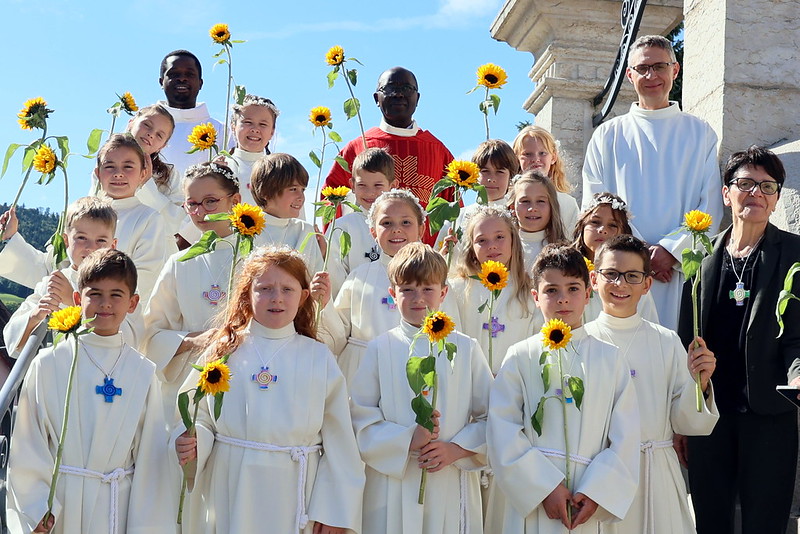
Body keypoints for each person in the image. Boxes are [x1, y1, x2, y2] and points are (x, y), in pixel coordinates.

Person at [173, 246, 364, 534]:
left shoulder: (318, 357)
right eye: (265, 288)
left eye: (287, 289)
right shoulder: (225, 350)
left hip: (297, 490)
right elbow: (197, 414)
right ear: (247, 294)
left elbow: (340, 443)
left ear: (303, 297)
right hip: (233, 483)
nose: (277, 297)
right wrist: (193, 438)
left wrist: (335, 511)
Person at [676, 146, 800, 534]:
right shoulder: (700, 257)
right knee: (710, 520)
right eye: (745, 184)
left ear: (777, 199)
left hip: (770, 414)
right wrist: (682, 417)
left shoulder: (795, 253)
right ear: (726, 193)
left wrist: (798, 375)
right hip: (711, 414)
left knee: (766, 522)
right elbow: (685, 339)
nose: (756, 194)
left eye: (767, 186)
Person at [7, 249, 173, 534]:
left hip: (117, 507)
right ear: (76, 298)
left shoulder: (143, 372)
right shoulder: (49, 364)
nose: (105, 304)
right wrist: (36, 509)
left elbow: (151, 458)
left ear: (133, 303)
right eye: (94, 294)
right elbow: (28, 442)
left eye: (116, 295)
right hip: (59, 506)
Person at [487, 244, 639, 533]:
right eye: (551, 290)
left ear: (588, 293)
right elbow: (502, 429)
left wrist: (596, 491)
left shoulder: (610, 358)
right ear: (536, 297)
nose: (563, 299)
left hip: (587, 495)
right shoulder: (520, 356)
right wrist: (544, 487)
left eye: (572, 288)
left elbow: (625, 435)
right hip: (535, 498)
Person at [582, 34, 724, 330]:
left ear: (675, 70)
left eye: (659, 66)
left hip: (679, 273)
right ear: (630, 75)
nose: (651, 76)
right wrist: (637, 254)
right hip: (622, 273)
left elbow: (710, 204)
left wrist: (671, 250)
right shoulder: (607, 136)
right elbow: (594, 209)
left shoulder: (700, 134)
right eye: (642, 68)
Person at [350, 242, 492, 534]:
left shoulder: (465, 348)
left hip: (450, 476)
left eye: (427, 289)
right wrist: (406, 440)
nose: (418, 298)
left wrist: (456, 449)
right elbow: (360, 418)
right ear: (392, 294)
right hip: (394, 480)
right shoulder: (379, 349)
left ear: (443, 292)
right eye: (407, 290)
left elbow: (492, 416)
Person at [584, 235, 718, 534]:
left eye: (632, 276)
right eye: (611, 274)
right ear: (594, 279)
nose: (621, 284)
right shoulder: (580, 341)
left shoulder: (665, 340)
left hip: (655, 470)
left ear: (647, 285)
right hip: (600, 475)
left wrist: (701, 384)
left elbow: (686, 421)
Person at [0, 134, 169, 302]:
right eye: (110, 166)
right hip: (64, 316)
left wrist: (77, 300)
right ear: (98, 173)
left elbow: (144, 282)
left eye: (128, 167)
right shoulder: (81, 212)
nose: (118, 174)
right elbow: (52, 269)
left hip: (114, 321)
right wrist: (10, 238)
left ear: (143, 174)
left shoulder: (150, 219)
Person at [322, 189, 459, 386]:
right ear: (373, 232)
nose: (396, 229)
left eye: (406, 222)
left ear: (421, 229)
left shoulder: (436, 279)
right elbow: (336, 338)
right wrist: (324, 304)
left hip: (417, 371)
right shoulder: (358, 277)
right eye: (386, 223)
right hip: (362, 374)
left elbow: (451, 334)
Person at [143, 162, 242, 419]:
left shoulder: (258, 258)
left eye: (210, 201)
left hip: (247, 378)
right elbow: (151, 334)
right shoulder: (179, 263)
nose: (201, 212)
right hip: (191, 381)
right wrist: (191, 340)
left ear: (235, 201)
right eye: (192, 204)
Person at [323, 66, 455, 245]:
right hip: (367, 255)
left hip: (424, 261)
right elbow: (331, 201)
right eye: (390, 88)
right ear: (377, 98)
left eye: (406, 89)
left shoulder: (438, 151)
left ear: (417, 98)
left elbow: (454, 210)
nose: (399, 94)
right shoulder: (358, 147)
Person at [4, 197, 143, 357]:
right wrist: (35, 316)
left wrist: (72, 302)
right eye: (81, 238)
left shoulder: (123, 285)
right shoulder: (53, 282)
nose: (91, 247)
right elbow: (13, 341)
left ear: (113, 245)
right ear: (66, 241)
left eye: (101, 240)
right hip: (57, 370)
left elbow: (132, 337)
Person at [450, 205, 541, 375]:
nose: (491, 246)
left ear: (513, 240)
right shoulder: (457, 289)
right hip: (469, 384)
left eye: (499, 237)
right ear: (471, 247)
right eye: (482, 240)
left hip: (514, 385)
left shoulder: (529, 291)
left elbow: (536, 345)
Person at [573, 193, 658, 323]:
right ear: (582, 226)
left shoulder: (634, 282)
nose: (602, 230)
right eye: (595, 222)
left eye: (612, 225)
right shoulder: (568, 272)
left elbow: (649, 325)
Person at [325, 147, 395, 296]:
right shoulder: (341, 227)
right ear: (352, 185)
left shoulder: (403, 225)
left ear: (393, 186)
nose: (370, 193)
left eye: (378, 186)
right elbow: (335, 276)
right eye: (362, 185)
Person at [435, 139, 520, 256]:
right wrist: (445, 253)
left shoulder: (518, 217)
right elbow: (436, 265)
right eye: (485, 171)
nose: (492, 178)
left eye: (500, 172)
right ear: (475, 175)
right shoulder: (457, 218)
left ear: (510, 175)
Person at [250, 153, 323, 273]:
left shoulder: (305, 230)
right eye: (293, 189)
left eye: (303, 190)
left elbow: (314, 275)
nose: (301, 197)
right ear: (266, 192)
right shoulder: (247, 231)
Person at [157, 50, 224, 178]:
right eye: (174, 74)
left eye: (189, 74)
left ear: (200, 83)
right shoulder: (143, 126)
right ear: (161, 82)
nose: (182, 78)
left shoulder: (222, 131)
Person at [512, 126, 579, 233]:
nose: (535, 159)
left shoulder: (567, 204)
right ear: (517, 159)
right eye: (527, 154)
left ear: (553, 157)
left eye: (542, 153)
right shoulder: (507, 201)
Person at [220, 94, 279, 207]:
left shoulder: (281, 170)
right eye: (248, 122)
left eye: (263, 124)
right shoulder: (222, 166)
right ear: (233, 126)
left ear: (272, 131)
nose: (255, 129)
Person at [511, 171, 567, 271]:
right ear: (512, 208)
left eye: (540, 201)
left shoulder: (565, 252)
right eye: (525, 201)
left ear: (552, 206)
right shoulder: (504, 247)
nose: (533, 208)